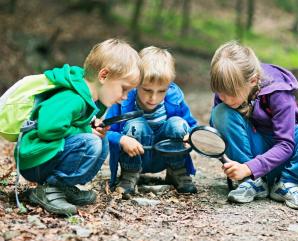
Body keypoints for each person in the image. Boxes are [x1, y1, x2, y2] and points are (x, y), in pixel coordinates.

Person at [209, 41, 298, 210]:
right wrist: (196, 138)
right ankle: (252, 183)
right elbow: (220, 134)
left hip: (286, 155)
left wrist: (249, 167)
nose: (225, 99)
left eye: (231, 94)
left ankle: (288, 183)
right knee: (220, 112)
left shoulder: (278, 91)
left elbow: (286, 145)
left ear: (253, 80)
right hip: (251, 156)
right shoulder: (226, 89)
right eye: (220, 93)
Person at [17, 38, 141, 215]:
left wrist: (90, 125)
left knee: (100, 140)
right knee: (91, 142)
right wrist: (85, 130)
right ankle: (48, 189)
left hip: (46, 156)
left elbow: (73, 124)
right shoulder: (73, 97)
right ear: (103, 76)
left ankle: (61, 186)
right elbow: (48, 128)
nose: (125, 97)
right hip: (35, 159)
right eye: (124, 89)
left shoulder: (87, 98)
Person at [106, 46, 198, 196]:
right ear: (136, 83)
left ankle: (177, 171)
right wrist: (122, 139)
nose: (153, 98)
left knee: (177, 123)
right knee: (136, 124)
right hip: (135, 155)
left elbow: (193, 126)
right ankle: (130, 175)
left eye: (161, 91)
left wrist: (190, 137)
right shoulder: (124, 99)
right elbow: (106, 132)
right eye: (147, 90)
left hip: (165, 155)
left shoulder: (174, 98)